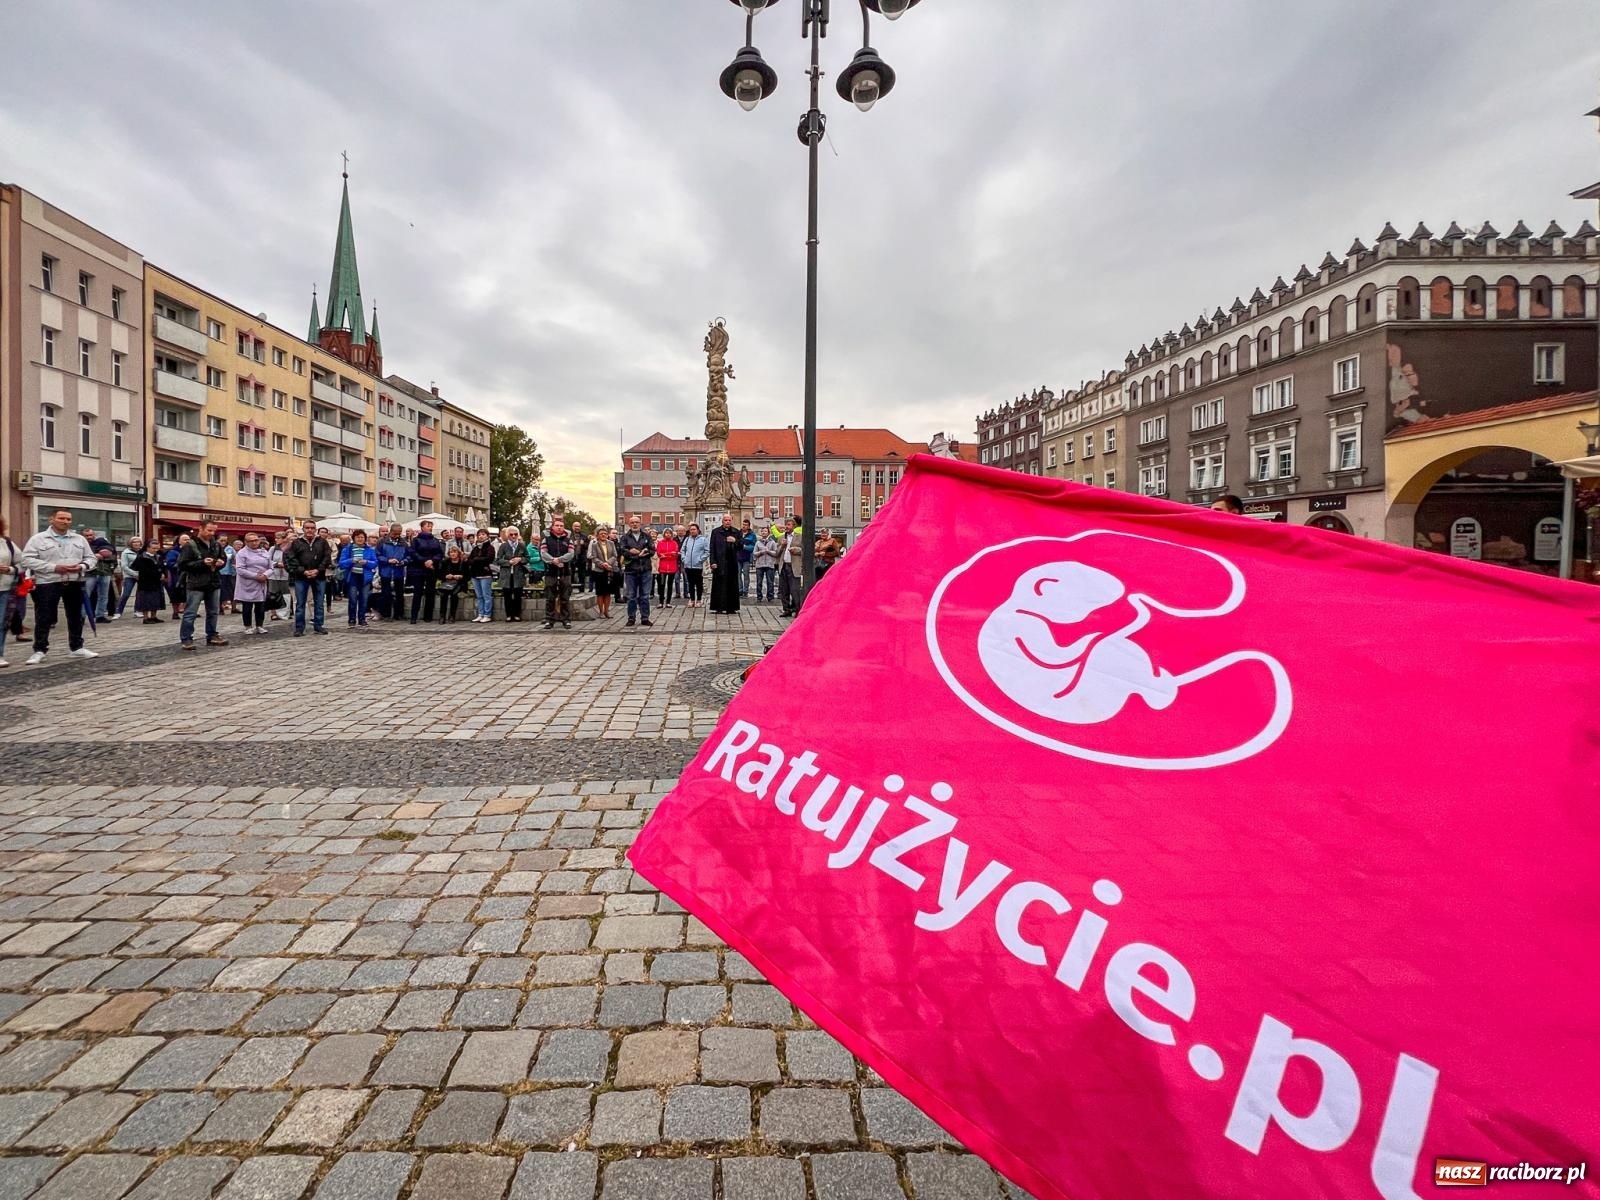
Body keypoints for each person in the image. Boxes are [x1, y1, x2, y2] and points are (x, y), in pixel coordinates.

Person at [19, 509, 98, 666]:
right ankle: (39, 650)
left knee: (75, 616)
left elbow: (91, 558)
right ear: (51, 519)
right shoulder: (38, 539)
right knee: (44, 616)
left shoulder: (79, 539)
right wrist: (53, 567)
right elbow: (27, 560)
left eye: (68, 519)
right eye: (61, 518)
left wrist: (82, 566)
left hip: (74, 581)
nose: (65, 521)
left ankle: (77, 647)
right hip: (48, 582)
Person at [175, 520, 229, 651]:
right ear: (201, 529)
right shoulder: (190, 545)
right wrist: (202, 562)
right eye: (209, 530)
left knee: (213, 612)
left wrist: (221, 562)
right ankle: (186, 638)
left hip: (213, 582)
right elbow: (182, 565)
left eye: (214, 531)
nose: (212, 533)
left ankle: (212, 635)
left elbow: (224, 558)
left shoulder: (216, 544)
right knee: (191, 613)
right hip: (196, 583)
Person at [285, 520, 332, 637]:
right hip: (301, 577)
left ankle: (318, 626)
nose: (310, 530)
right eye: (307, 528)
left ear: (315, 529)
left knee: (319, 603)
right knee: (300, 603)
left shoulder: (322, 542)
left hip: (319, 576)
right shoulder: (296, 542)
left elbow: (327, 558)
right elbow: (292, 559)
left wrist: (318, 570)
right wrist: (303, 571)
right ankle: (299, 628)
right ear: (303, 529)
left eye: (312, 528)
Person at [234, 532, 273, 635]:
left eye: (256, 540)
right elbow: (240, 569)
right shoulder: (242, 553)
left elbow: (271, 567)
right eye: (251, 541)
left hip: (261, 582)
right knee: (247, 606)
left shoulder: (264, 552)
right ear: (246, 542)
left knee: (260, 605)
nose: (254, 543)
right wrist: (255, 576)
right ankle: (248, 626)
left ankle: (260, 625)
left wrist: (265, 575)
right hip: (247, 583)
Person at [619, 515, 655, 627]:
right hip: (631, 570)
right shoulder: (625, 537)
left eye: (637, 522)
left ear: (640, 523)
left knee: (645, 595)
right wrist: (632, 553)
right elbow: (622, 550)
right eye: (632, 522)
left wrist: (644, 552)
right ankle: (631, 618)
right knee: (631, 596)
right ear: (629, 524)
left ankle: (645, 618)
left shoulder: (646, 536)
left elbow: (652, 550)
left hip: (645, 569)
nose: (635, 524)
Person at [541, 515, 576, 629]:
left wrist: (560, 559)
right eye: (557, 525)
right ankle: (549, 620)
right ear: (553, 527)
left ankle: (566, 620)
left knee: (565, 598)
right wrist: (553, 560)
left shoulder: (568, 539)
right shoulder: (546, 539)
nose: (559, 527)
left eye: (561, 526)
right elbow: (543, 553)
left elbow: (571, 554)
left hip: (565, 572)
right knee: (550, 598)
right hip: (550, 572)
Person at [408, 520, 444, 624]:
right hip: (418, 569)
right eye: (428, 526)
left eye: (431, 526)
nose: (430, 528)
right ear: (422, 527)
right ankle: (414, 616)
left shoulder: (435, 540)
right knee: (417, 593)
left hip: (431, 569)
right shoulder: (416, 540)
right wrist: (424, 561)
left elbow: (439, 553)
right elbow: (413, 553)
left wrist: (432, 561)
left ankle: (428, 616)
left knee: (430, 592)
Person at [340, 530, 378, 626]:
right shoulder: (347, 549)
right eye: (357, 537)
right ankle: (352, 619)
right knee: (352, 599)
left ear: (365, 539)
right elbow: (341, 564)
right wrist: (351, 560)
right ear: (354, 538)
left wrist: (366, 562)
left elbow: (375, 563)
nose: (360, 539)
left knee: (364, 599)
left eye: (362, 537)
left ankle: (362, 619)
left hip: (365, 577)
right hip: (352, 576)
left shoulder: (370, 550)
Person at [707, 514, 742, 615]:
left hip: (732, 562)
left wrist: (735, 541)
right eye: (725, 520)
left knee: (732, 585)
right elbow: (712, 547)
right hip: (719, 561)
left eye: (729, 520)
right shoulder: (716, 532)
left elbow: (741, 546)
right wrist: (712, 561)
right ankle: (718, 607)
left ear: (731, 521)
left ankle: (731, 607)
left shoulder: (736, 532)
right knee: (719, 585)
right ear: (722, 521)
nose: (727, 522)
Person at [497, 526, 531, 622]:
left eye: (515, 534)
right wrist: (508, 562)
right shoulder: (503, 546)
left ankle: (516, 614)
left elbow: (528, 558)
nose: (513, 536)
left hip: (518, 574)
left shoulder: (521, 545)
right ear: (507, 535)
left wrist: (520, 559)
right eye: (511, 534)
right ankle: (508, 615)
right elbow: (498, 560)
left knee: (517, 595)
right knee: (507, 595)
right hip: (506, 574)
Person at [131, 538, 168, 626]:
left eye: (157, 548)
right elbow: (138, 568)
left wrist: (164, 574)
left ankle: (153, 616)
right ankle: (145, 617)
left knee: (156, 599)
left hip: (157, 582)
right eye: (153, 548)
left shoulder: (158, 556)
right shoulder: (142, 557)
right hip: (146, 582)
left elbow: (163, 567)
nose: (155, 550)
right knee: (146, 600)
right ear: (148, 548)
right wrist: (158, 575)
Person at [377, 523, 408, 621]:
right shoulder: (382, 541)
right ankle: (386, 614)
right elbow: (377, 555)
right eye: (395, 534)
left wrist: (403, 562)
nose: (397, 536)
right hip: (386, 571)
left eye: (399, 533)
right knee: (386, 594)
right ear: (390, 532)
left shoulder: (404, 543)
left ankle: (399, 614)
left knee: (400, 594)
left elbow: (409, 556)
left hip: (399, 571)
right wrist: (388, 560)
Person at [587, 525, 619, 619]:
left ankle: (606, 611)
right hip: (599, 571)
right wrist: (603, 564)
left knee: (608, 592)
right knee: (600, 592)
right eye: (601, 534)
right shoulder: (594, 545)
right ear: (597, 535)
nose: (603, 535)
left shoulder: (611, 543)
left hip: (609, 570)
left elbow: (614, 555)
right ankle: (601, 612)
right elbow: (593, 557)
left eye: (605, 533)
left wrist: (608, 563)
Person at [467, 529, 497, 622]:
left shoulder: (490, 547)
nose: (481, 536)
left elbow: (489, 558)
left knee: (486, 595)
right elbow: (470, 560)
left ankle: (487, 614)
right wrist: (476, 560)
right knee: (479, 596)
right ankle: (480, 614)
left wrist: (476, 560)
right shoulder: (476, 548)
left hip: (485, 574)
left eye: (483, 534)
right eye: (479, 535)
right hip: (475, 574)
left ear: (487, 536)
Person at [0, 515, 17, 668]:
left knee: (1, 623)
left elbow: (22, 562)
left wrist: (10, 569)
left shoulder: (6, 542)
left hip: (3, 588)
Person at [680, 523, 708, 608]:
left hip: (698, 566)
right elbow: (682, 550)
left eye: (694, 529)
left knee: (699, 584)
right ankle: (692, 599)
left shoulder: (703, 540)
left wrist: (700, 559)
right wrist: (684, 559)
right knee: (690, 583)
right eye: (691, 530)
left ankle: (699, 599)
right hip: (688, 565)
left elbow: (707, 551)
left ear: (698, 530)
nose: (692, 531)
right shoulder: (687, 539)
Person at [114, 536, 144, 618]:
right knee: (126, 594)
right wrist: (135, 574)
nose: (136, 543)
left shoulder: (143, 552)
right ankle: (118, 612)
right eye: (134, 542)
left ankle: (137, 610)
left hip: (142, 575)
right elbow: (124, 566)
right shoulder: (126, 552)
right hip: (129, 575)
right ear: (130, 543)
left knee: (140, 594)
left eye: (138, 542)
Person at [437, 546, 468, 623]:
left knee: (454, 594)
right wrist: (446, 576)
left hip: (459, 584)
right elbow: (439, 574)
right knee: (443, 595)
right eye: (451, 552)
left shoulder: (463, 563)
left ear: (458, 553)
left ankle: (452, 616)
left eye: (454, 552)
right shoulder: (445, 562)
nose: (453, 554)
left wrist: (460, 576)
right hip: (447, 583)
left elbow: (468, 576)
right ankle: (442, 616)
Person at [778, 516, 801, 617]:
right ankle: (786, 609)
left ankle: (797, 609)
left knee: (794, 590)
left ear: (794, 526)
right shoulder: (781, 537)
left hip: (794, 566)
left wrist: (798, 550)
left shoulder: (800, 537)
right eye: (786, 525)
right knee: (784, 590)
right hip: (783, 566)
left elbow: (807, 550)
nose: (786, 527)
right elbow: (777, 553)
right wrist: (782, 546)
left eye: (788, 525)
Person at [267, 532, 292, 621]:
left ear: (284, 539)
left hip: (286, 574)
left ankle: (285, 613)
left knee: (286, 593)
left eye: (278, 538)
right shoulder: (273, 549)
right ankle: (273, 613)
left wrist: (286, 564)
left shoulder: (289, 548)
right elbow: (268, 560)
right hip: (274, 574)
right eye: (276, 538)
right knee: (273, 593)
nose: (276, 540)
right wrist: (276, 564)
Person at [654, 526, 680, 609]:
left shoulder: (674, 543)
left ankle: (668, 602)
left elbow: (675, 554)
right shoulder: (660, 543)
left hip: (672, 566)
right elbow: (659, 553)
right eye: (666, 533)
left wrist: (666, 555)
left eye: (669, 533)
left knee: (670, 585)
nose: (668, 534)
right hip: (663, 567)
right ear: (664, 534)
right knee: (661, 584)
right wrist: (669, 554)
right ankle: (661, 602)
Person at [753, 525, 779, 603]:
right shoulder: (758, 542)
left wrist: (768, 551)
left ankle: (770, 596)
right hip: (759, 564)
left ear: (768, 533)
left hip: (769, 564)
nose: (763, 532)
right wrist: (761, 552)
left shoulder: (772, 542)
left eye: (765, 531)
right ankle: (759, 596)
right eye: (762, 531)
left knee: (770, 582)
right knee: (759, 582)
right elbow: (754, 553)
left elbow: (776, 553)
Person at [218, 538, 239, 614]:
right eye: (221, 540)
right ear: (218, 540)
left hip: (229, 573)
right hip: (219, 573)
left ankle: (234, 608)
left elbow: (235, 559)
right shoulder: (215, 548)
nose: (223, 542)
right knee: (220, 591)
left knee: (232, 590)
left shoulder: (230, 549)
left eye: (225, 540)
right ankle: (220, 609)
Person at [569, 522, 591, 594]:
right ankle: (570, 590)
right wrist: (572, 543)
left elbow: (589, 545)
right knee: (570, 573)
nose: (577, 528)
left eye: (578, 526)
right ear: (572, 527)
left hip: (581, 558)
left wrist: (583, 544)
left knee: (582, 574)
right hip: (571, 557)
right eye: (575, 526)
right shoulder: (569, 535)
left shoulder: (584, 535)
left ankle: (581, 590)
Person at [739, 519, 756, 598]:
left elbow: (753, 547)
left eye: (745, 525)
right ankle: (740, 590)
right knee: (738, 575)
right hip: (738, 557)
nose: (744, 526)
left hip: (747, 557)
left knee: (746, 575)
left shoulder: (752, 535)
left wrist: (744, 546)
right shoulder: (738, 533)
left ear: (749, 526)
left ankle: (745, 591)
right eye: (743, 524)